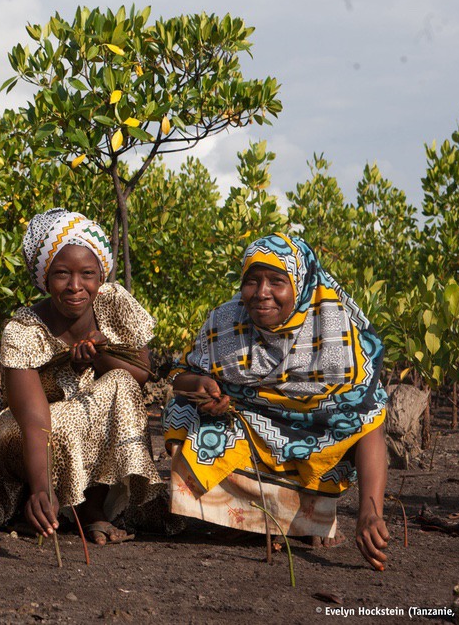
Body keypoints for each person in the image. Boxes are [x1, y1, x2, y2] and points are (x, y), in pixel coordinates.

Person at [163, 232, 390, 570]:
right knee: (182, 411)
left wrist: (370, 513)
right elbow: (182, 376)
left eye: (276, 281)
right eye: (252, 281)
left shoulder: (334, 332)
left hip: (316, 445)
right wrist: (203, 387)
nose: (261, 293)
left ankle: (311, 520)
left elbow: (369, 422)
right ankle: (249, 522)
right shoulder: (225, 322)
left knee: (352, 425)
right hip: (250, 430)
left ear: (300, 285)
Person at [0, 208, 163, 545]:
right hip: (20, 432)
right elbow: (34, 420)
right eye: (61, 274)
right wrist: (42, 488)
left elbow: (140, 375)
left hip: (84, 421)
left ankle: (92, 507)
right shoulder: (24, 329)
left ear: (101, 276)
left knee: (121, 384)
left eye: (87, 273)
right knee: (66, 419)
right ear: (45, 278)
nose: (75, 286)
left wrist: (101, 355)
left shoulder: (114, 303)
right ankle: (55, 503)